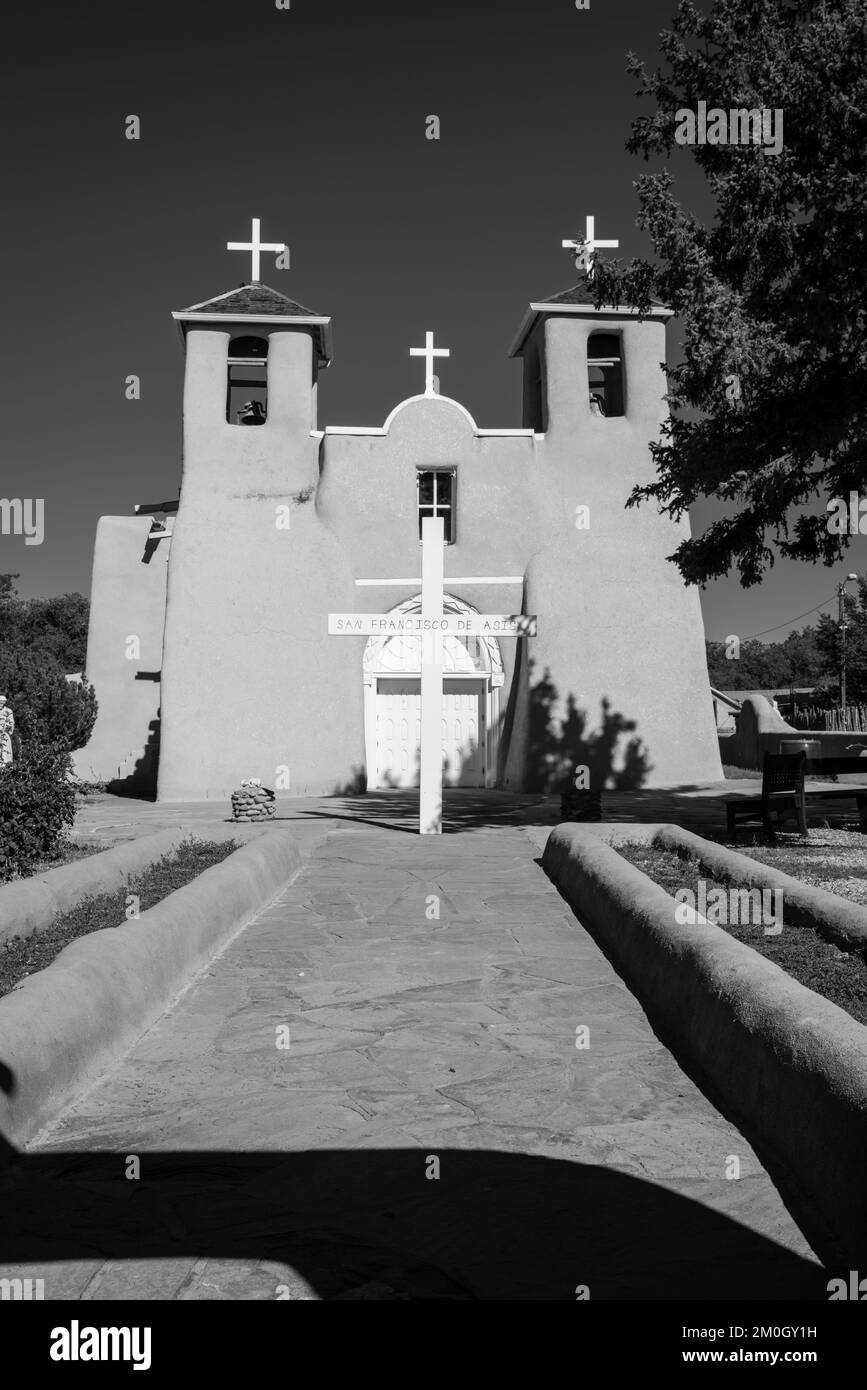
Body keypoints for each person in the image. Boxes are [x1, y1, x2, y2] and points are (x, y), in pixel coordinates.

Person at [0, 696, 14, 767]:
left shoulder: (8, 711)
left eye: (2, 703)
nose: (0, 704)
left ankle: (5, 766)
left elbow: (11, 723)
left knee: (5, 751)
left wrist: (5, 726)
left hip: (4, 734)